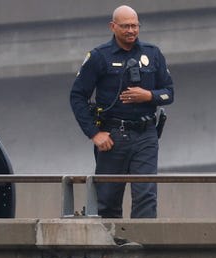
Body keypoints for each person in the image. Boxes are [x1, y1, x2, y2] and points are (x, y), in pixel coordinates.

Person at [69, 6, 174, 219]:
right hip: (113, 136)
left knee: (146, 195)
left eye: (134, 25)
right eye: (125, 26)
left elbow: (169, 93)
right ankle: (110, 247)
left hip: (146, 134)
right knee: (107, 198)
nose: (131, 30)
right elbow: (77, 96)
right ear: (113, 26)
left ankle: (141, 245)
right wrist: (94, 133)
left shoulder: (152, 54)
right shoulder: (99, 56)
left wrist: (148, 96)